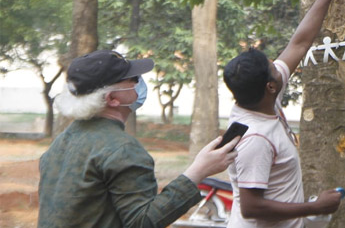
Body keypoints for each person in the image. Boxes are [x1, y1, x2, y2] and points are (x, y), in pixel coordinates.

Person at [223, 0, 345, 228]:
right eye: (272, 66)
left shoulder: (262, 99)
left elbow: (299, 43)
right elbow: (251, 208)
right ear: (271, 86)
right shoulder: (256, 138)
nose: (278, 63)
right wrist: (313, 207)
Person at [38, 50, 239, 227]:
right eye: (132, 79)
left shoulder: (64, 140)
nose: (139, 82)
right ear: (112, 99)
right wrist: (199, 171)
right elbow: (142, 222)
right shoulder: (121, 149)